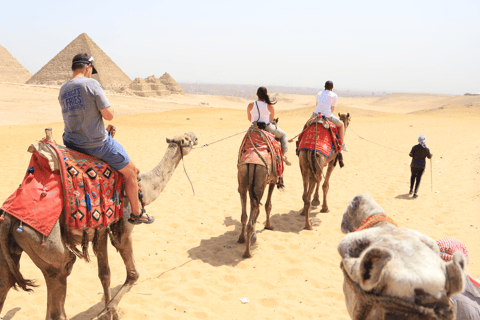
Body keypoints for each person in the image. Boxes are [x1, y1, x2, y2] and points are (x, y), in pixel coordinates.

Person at [58, 53, 154, 224]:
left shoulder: (63, 89)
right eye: (91, 70)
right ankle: (137, 213)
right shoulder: (92, 84)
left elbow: (81, 118)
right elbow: (108, 115)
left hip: (71, 142)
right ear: (88, 68)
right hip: (96, 144)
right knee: (131, 170)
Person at [247, 87, 291, 165]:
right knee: (283, 135)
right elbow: (271, 120)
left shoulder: (250, 105)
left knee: (245, 141)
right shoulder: (270, 106)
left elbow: (249, 119)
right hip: (267, 127)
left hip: (253, 127)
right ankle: (284, 156)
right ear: (266, 94)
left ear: (257, 94)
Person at [312, 81, 348, 152]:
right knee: (342, 125)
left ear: (324, 86)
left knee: (307, 124)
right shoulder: (334, 95)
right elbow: (332, 109)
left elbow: (317, 104)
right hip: (327, 116)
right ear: (332, 87)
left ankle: (300, 138)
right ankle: (342, 145)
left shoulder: (319, 93)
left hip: (316, 114)